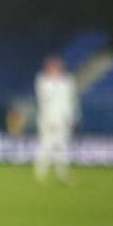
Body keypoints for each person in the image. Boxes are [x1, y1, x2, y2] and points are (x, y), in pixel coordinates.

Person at [34, 54, 77, 183]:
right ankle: (40, 174)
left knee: (62, 146)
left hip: (62, 118)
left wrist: (72, 117)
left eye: (57, 66)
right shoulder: (42, 80)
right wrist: (53, 81)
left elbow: (70, 101)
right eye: (52, 66)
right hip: (46, 118)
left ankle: (62, 174)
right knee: (45, 145)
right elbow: (43, 97)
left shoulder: (67, 81)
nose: (55, 69)